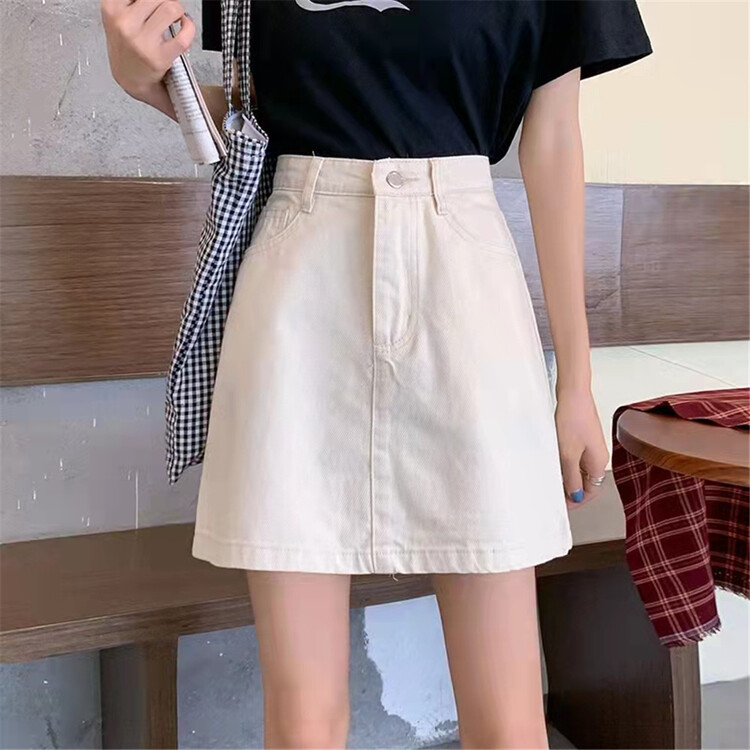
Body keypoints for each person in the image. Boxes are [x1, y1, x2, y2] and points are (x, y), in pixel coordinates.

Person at [102, 1, 653, 747]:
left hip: (465, 287)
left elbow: (552, 137)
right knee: (303, 722)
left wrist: (576, 382)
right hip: (298, 284)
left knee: (508, 723)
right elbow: (258, 116)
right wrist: (152, 82)